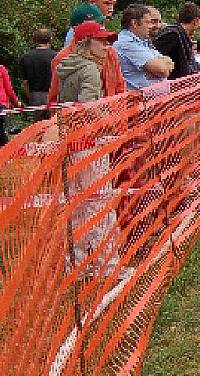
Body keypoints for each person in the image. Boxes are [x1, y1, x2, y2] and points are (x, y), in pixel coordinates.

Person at [56, 21, 123, 277]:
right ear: (86, 43)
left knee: (76, 206)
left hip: (71, 142)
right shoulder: (91, 70)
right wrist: (105, 114)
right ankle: (107, 265)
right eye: (102, 41)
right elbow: (86, 110)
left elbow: (69, 107)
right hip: (89, 142)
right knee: (100, 203)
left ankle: (78, 263)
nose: (107, 46)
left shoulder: (67, 67)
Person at [49, 5, 126, 107]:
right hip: (91, 118)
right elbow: (55, 100)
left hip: (111, 116)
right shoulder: (62, 58)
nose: (101, 27)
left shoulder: (109, 52)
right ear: (76, 29)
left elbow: (120, 87)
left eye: (101, 23)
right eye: (99, 39)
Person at [113, 4, 175, 90]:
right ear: (134, 23)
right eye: (148, 22)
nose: (150, 26)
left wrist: (160, 67)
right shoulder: (126, 43)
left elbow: (170, 63)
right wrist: (159, 68)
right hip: (137, 101)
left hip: (151, 100)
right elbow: (162, 70)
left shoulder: (142, 41)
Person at [153, 2, 200, 79]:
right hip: (171, 86)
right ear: (196, 21)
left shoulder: (181, 35)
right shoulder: (172, 35)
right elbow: (153, 58)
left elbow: (191, 63)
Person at [19, 28, 57, 120]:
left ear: (35, 40)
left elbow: (25, 83)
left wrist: (30, 97)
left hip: (35, 96)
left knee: (38, 127)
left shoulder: (26, 57)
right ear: (50, 39)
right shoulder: (56, 57)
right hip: (54, 96)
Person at [0, 63, 20, 146]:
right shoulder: (1, 69)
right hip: (1, 105)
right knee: (2, 137)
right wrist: (16, 103)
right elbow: (9, 90)